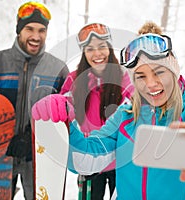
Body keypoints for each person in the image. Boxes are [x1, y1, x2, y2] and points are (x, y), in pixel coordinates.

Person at [31, 22, 185, 199]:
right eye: (141, 76)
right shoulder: (125, 117)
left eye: (159, 72)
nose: (151, 84)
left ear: (175, 70)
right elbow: (86, 159)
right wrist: (66, 126)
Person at [0, 2, 69, 199]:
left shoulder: (57, 69)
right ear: (19, 30)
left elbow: (66, 116)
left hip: (38, 157)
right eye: (29, 29)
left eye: (41, 30)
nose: (36, 36)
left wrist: (31, 138)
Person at [59, 23, 134, 200]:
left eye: (102, 47)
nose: (97, 54)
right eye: (90, 49)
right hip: (90, 157)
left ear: (109, 48)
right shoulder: (74, 79)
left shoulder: (124, 76)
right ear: (84, 53)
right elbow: (64, 107)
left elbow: (136, 102)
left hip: (119, 158)